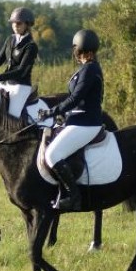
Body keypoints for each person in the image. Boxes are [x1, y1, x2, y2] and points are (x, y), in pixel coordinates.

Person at [37, 29, 105, 212]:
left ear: (81, 49)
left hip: (87, 123)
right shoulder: (85, 68)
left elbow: (75, 98)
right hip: (79, 120)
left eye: (76, 49)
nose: (75, 53)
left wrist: (52, 111)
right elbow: (77, 100)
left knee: (51, 155)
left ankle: (73, 196)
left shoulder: (90, 69)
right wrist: (63, 115)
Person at [0, 7, 38, 119]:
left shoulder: (31, 46)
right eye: (13, 23)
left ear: (27, 25)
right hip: (5, 84)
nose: (15, 25)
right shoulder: (10, 39)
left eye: (19, 23)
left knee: (11, 118)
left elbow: (21, 71)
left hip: (20, 86)